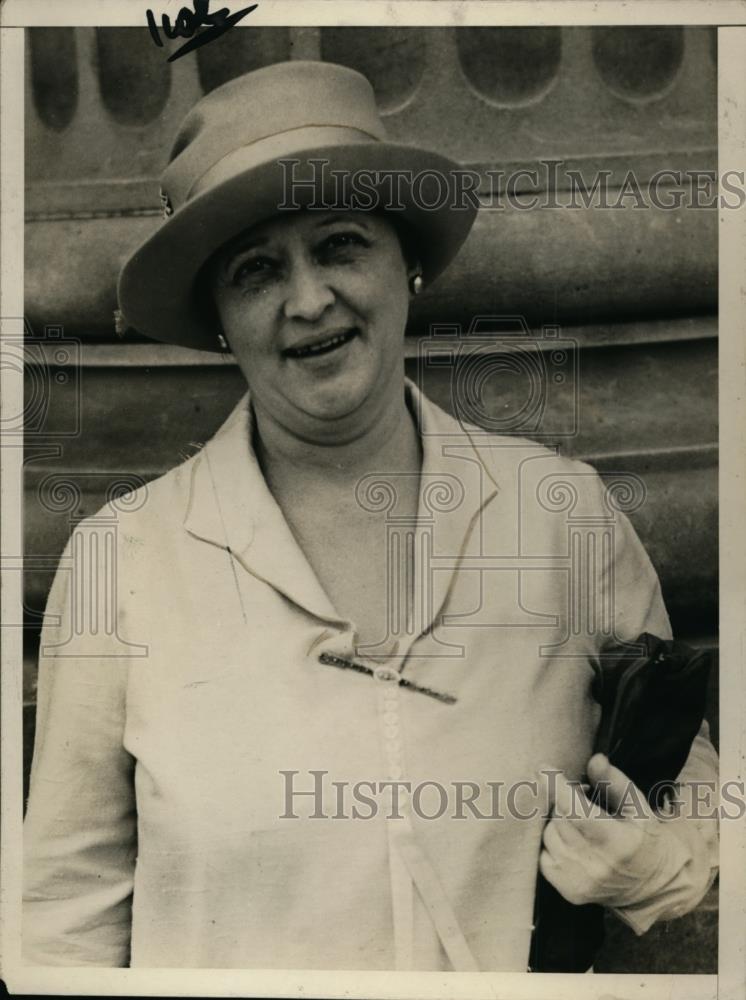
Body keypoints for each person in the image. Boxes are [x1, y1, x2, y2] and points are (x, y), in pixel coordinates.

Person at [23, 60, 719, 971]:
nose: (308, 299)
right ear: (220, 318)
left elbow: (686, 780)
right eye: (257, 269)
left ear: (410, 265)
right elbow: (61, 920)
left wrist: (656, 861)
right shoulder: (122, 560)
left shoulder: (559, 516)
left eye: (341, 244)